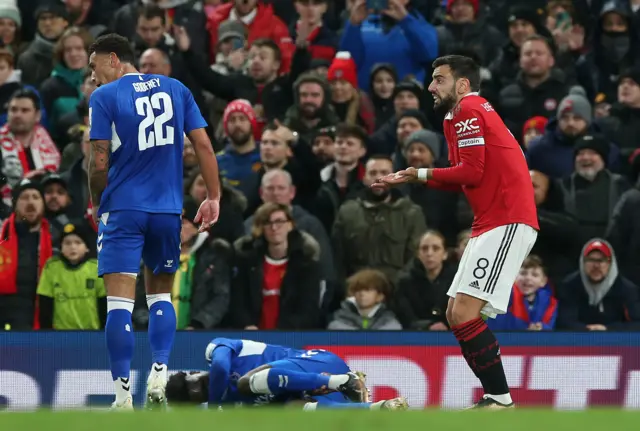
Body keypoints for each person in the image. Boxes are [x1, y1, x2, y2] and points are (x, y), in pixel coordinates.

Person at [372, 55, 539, 409]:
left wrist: (418, 173)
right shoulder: (456, 116)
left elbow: (471, 172)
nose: (431, 87)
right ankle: (496, 398)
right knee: (454, 313)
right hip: (490, 221)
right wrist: (415, 176)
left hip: (507, 219)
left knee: (464, 313)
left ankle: (500, 400)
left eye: (439, 80)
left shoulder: (468, 108)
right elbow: (464, 174)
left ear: (462, 84)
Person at [87, 33, 221, 410]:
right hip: (167, 211)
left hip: (123, 210)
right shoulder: (176, 89)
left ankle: (122, 397)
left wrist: (97, 203)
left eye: (94, 66)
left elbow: (99, 163)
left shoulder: (104, 97)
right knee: (161, 294)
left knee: (119, 305)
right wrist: (213, 196)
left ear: (113, 59)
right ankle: (160, 369)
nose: (93, 77)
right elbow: (205, 146)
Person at [165, 338, 408, 411]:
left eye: (200, 383)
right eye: (199, 396)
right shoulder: (232, 410)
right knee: (293, 412)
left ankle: (345, 381)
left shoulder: (215, 350)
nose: (207, 390)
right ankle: (378, 408)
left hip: (317, 363)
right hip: (315, 395)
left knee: (246, 382)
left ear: (195, 372)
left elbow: (218, 369)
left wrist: (216, 406)